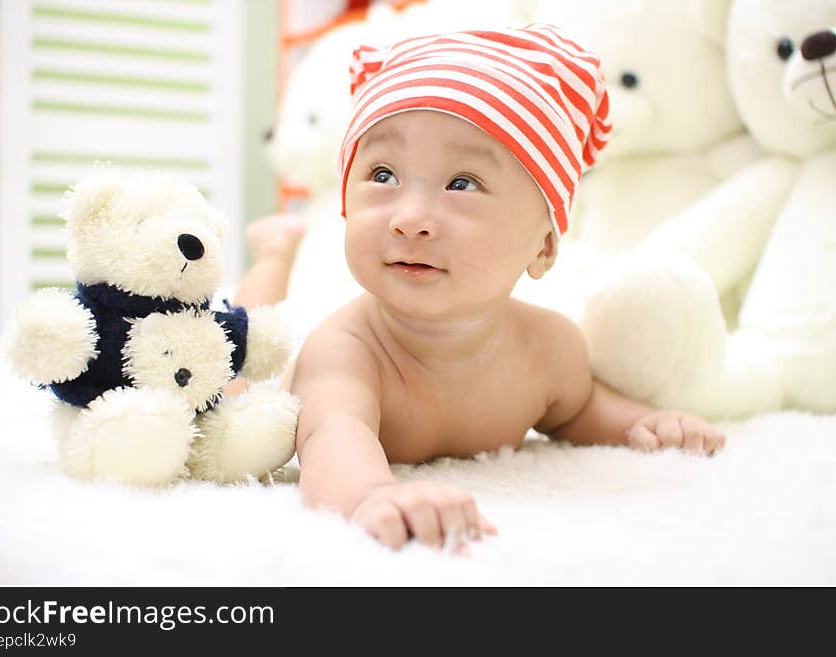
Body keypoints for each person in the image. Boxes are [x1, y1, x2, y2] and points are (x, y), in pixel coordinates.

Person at [284, 24, 727, 551]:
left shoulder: (548, 349)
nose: (410, 219)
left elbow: (579, 410)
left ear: (542, 248)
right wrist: (371, 496)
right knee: (265, 314)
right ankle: (278, 255)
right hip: (296, 339)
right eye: (383, 175)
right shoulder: (346, 351)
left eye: (462, 184)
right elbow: (331, 435)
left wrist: (649, 424)